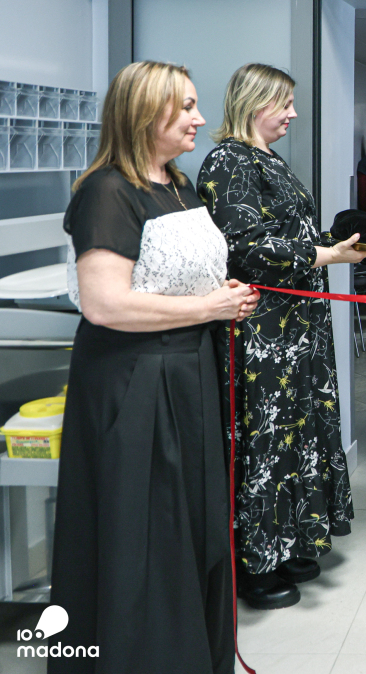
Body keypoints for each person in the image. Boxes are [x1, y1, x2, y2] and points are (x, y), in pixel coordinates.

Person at [51, 60, 258, 674]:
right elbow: (104, 304)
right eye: (186, 107)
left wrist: (220, 295)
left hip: (189, 371)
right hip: (134, 380)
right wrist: (208, 307)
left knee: (191, 522)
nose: (199, 118)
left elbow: (173, 275)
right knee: (143, 526)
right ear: (146, 113)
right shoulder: (106, 191)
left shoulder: (179, 184)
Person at [198, 63, 365, 609]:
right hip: (262, 329)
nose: (293, 113)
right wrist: (327, 255)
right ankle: (255, 563)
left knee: (297, 434)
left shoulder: (268, 159)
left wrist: (341, 244)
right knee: (265, 441)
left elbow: (290, 233)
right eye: (284, 103)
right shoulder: (228, 161)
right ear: (255, 104)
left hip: (299, 326)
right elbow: (245, 247)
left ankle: (290, 540)